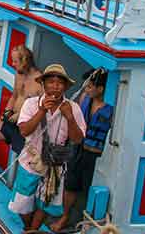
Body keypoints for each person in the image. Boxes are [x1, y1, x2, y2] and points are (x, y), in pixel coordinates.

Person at [8, 64, 86, 231]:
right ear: (43, 84)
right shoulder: (31, 104)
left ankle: (32, 230)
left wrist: (69, 117)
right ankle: (28, 226)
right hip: (30, 162)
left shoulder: (73, 108)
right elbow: (24, 131)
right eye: (51, 81)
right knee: (22, 203)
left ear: (65, 86)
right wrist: (42, 111)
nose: (55, 86)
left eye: (59, 82)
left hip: (55, 165)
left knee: (45, 202)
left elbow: (77, 139)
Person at [50, 68, 112, 231]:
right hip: (78, 149)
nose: (86, 89)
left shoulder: (111, 108)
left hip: (95, 156)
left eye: (90, 86)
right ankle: (65, 217)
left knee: (88, 188)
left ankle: (86, 224)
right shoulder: (85, 99)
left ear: (101, 89)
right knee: (70, 184)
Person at [0, 45, 42, 179]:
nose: (12, 64)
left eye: (15, 61)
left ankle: (20, 190)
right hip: (10, 120)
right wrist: (2, 118)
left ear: (25, 61)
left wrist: (20, 115)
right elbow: (14, 96)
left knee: (25, 159)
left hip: (25, 126)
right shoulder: (19, 74)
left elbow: (40, 108)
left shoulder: (40, 81)